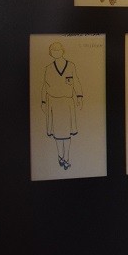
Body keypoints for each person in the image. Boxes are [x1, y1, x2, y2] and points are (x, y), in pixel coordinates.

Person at [40, 42, 83, 170]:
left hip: (67, 103)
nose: (56, 52)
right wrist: (43, 102)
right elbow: (44, 87)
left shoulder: (71, 66)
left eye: (58, 50)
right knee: (57, 133)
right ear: (51, 53)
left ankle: (67, 157)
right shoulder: (48, 68)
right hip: (53, 103)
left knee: (67, 133)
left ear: (62, 51)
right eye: (53, 51)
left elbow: (76, 82)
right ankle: (60, 156)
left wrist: (79, 96)